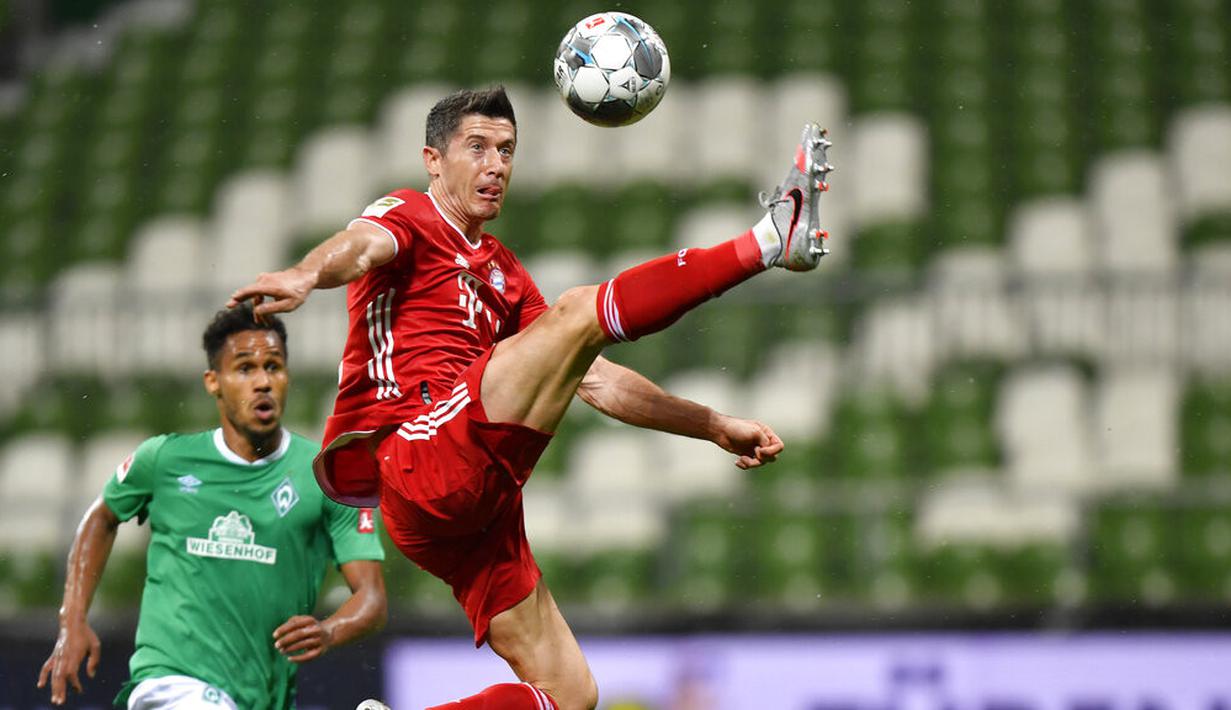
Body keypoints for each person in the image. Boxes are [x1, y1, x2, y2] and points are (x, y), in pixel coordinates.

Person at [228, 86, 834, 710]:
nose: (495, 166)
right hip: (411, 453)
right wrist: (306, 273)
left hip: (471, 507)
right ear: (433, 159)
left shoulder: (507, 275)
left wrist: (709, 423)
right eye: (478, 148)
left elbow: (596, 380)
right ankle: (766, 241)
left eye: (507, 151)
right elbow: (360, 247)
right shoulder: (409, 215)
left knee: (571, 696)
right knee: (575, 312)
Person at [37, 305, 388, 709]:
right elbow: (102, 516)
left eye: (273, 367)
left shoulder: (326, 477)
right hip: (169, 684)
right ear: (213, 382)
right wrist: (73, 619)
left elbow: (372, 600)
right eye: (245, 369)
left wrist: (329, 630)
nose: (262, 382)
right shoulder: (164, 460)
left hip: (262, 696)